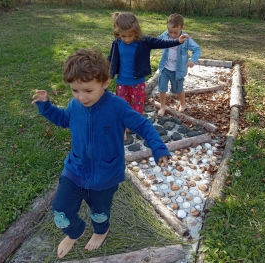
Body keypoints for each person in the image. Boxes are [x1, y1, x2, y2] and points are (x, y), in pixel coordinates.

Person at [31, 49, 171, 259]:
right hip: (75, 170)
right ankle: (75, 231)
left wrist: (158, 148)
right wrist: (46, 106)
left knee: (100, 213)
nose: (81, 97)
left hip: (106, 175)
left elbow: (143, 125)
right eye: (75, 90)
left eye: (88, 90)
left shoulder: (117, 107)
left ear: (105, 83)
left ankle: (100, 231)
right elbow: (63, 119)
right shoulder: (75, 104)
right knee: (60, 210)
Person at [108, 12, 189, 140]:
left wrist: (177, 41)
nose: (127, 39)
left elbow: (161, 42)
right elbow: (111, 59)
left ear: (136, 30)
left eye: (130, 35)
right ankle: (123, 128)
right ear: (118, 33)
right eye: (123, 36)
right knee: (121, 107)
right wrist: (107, 75)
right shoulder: (117, 43)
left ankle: (137, 126)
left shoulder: (144, 41)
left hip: (137, 83)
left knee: (137, 107)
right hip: (122, 83)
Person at [157, 13, 201, 116]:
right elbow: (156, 42)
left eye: (175, 33)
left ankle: (183, 104)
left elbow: (197, 49)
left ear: (182, 28)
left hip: (178, 71)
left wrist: (192, 60)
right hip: (165, 68)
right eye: (170, 32)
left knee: (178, 89)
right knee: (162, 87)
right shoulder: (164, 35)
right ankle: (162, 106)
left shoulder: (186, 39)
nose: (172, 35)